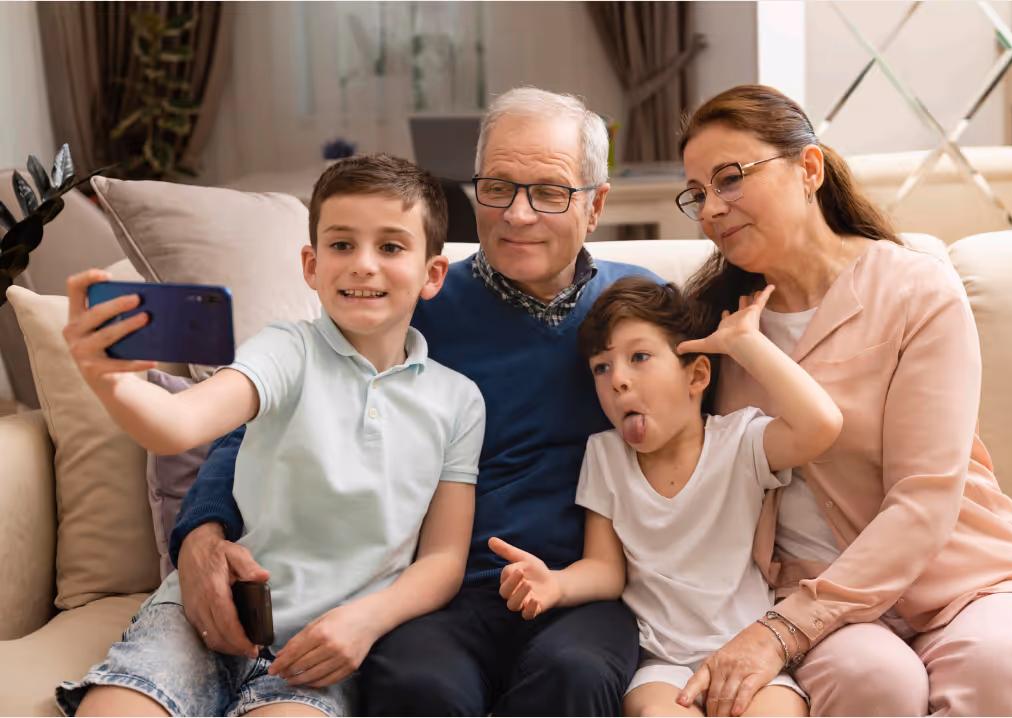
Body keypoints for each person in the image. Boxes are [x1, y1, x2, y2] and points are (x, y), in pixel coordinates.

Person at [164, 87, 664, 715]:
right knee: (419, 688)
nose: (518, 213)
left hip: (579, 590)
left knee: (575, 674)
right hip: (436, 595)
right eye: (498, 186)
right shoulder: (410, 299)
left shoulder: (640, 313)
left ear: (595, 207)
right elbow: (262, 418)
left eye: (550, 192)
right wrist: (199, 535)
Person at [671, 84, 1012, 717]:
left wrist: (780, 632)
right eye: (697, 194)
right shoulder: (708, 325)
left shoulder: (916, 287)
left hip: (965, 574)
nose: (711, 210)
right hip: (815, 594)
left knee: (1009, 667)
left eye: (730, 179)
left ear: (809, 169)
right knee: (872, 684)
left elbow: (925, 496)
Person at [55, 154, 485, 717]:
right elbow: (177, 425)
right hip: (200, 620)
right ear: (310, 265)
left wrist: (365, 622)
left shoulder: (459, 401)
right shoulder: (285, 350)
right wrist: (110, 381)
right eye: (340, 245)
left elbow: (444, 560)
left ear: (432, 274)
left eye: (390, 246)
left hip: (320, 654)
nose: (362, 265)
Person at [489, 276, 844, 717]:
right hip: (660, 665)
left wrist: (746, 344)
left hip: (751, 652)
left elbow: (822, 425)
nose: (617, 380)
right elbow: (606, 569)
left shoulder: (740, 442)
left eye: (639, 357)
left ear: (696, 375)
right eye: (602, 367)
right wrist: (555, 584)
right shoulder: (605, 455)